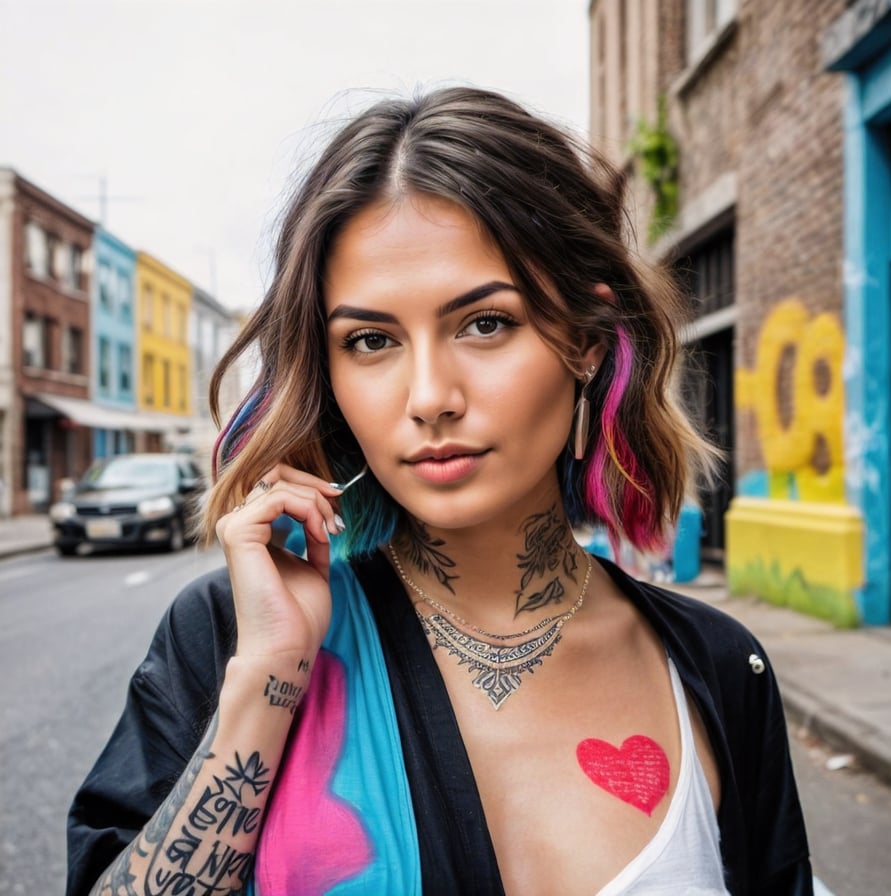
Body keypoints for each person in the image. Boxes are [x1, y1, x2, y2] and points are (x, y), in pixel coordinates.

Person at [66, 86, 812, 896]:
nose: (429, 396)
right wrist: (270, 680)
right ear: (331, 374)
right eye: (372, 340)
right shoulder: (233, 637)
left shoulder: (715, 669)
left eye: (485, 323)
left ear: (587, 341)